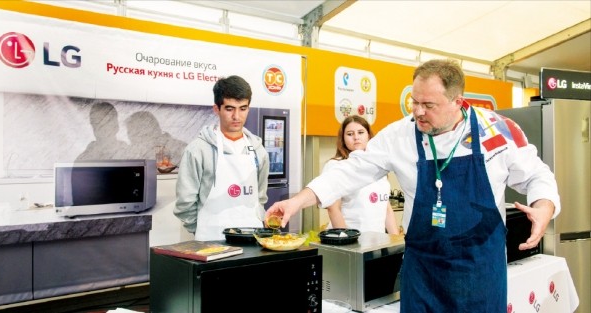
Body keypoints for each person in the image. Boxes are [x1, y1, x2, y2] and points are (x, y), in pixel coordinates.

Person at [266, 59, 560, 312]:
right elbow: (348, 172)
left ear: (458, 101)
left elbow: (537, 175)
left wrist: (543, 207)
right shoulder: (399, 135)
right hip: (423, 271)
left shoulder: (498, 131)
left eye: (428, 105)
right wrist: (297, 201)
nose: (418, 112)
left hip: (480, 270)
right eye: (414, 102)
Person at [175, 75, 269, 241]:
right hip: (211, 240)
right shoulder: (198, 150)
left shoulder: (258, 150)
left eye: (243, 108)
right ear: (216, 109)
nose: (237, 117)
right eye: (229, 108)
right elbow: (185, 202)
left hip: (252, 238)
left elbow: (260, 197)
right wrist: (201, 230)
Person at [324, 115, 399, 235]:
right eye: (350, 134)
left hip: (377, 241)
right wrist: (347, 240)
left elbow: (386, 207)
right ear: (343, 139)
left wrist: (396, 241)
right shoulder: (336, 165)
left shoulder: (378, 164)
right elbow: (333, 208)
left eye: (360, 132)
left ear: (369, 135)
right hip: (351, 239)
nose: (356, 137)